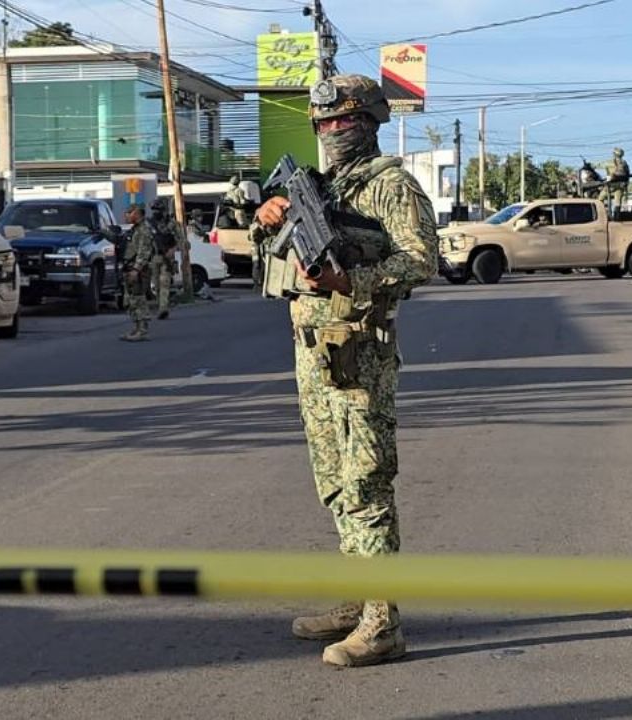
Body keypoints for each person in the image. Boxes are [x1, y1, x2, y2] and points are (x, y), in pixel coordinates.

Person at [251, 73, 437, 668]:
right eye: (324, 123)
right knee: (333, 483)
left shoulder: (391, 186)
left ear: (371, 122)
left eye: (344, 121)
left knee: (366, 484)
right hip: (313, 350)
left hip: (360, 354)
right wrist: (266, 220)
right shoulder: (321, 186)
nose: (332, 131)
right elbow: (275, 258)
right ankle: (359, 599)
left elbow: (421, 261)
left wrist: (348, 281)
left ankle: (384, 624)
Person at [120, 202, 156, 342]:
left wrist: (136, 269)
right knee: (131, 300)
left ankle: (142, 330)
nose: (127, 215)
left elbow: (144, 252)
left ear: (137, 213)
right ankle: (136, 327)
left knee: (138, 298)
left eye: (129, 213)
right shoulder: (135, 229)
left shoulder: (144, 230)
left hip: (140, 269)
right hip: (131, 267)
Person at [149, 197, 181, 320]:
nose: (155, 212)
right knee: (156, 285)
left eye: (158, 209)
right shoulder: (149, 223)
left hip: (167, 257)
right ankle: (160, 305)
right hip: (153, 257)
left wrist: (172, 250)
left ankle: (163, 309)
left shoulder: (171, 223)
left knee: (164, 283)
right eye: (154, 209)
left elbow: (181, 240)